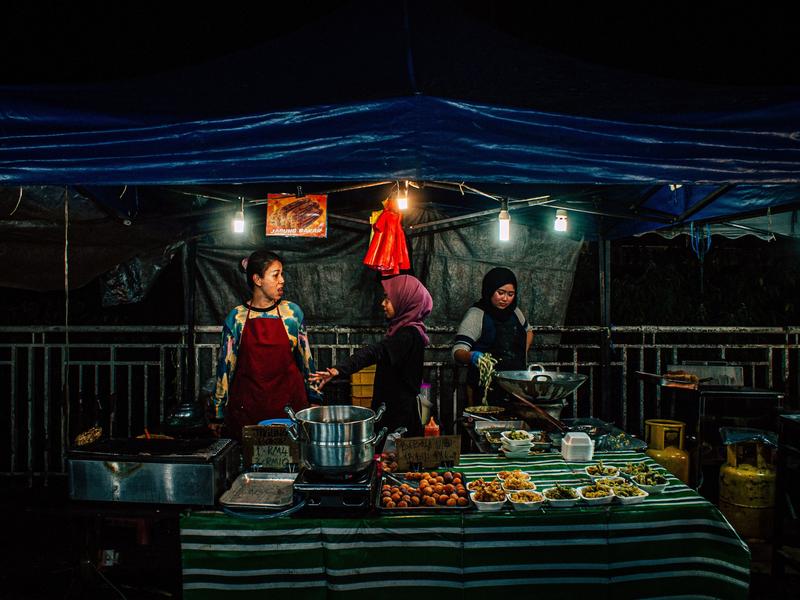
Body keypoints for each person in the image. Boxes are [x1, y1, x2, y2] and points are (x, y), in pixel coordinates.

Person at [210, 250, 321, 440]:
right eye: (276, 275)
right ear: (257, 279)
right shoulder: (236, 318)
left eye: (282, 274)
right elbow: (224, 370)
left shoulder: (292, 314)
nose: (282, 280)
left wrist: (315, 398)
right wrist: (218, 412)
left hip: (289, 410)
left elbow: (307, 361)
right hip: (248, 412)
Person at [310, 275, 433, 438]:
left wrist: (339, 370)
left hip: (398, 419)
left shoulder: (408, 335)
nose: (383, 304)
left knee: (392, 462)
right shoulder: (405, 332)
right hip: (394, 413)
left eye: (388, 299)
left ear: (404, 301)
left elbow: (375, 352)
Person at [452, 267, 534, 405]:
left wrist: (521, 352)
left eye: (510, 294)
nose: (505, 299)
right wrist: (472, 356)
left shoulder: (515, 311)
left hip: (516, 387)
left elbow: (529, 332)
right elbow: (457, 352)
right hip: (485, 388)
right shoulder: (476, 314)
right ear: (489, 290)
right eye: (500, 293)